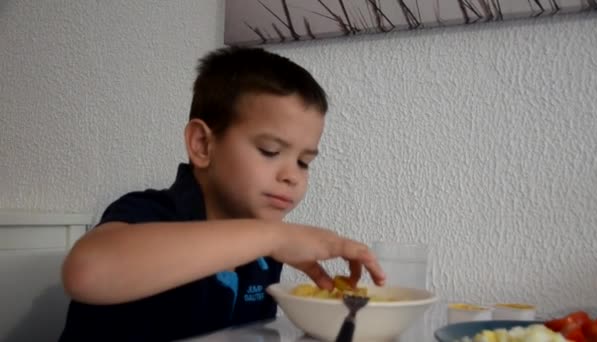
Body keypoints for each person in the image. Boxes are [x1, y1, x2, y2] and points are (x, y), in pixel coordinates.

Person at [59, 46, 385, 341]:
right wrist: (273, 237)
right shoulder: (151, 213)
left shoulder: (263, 250)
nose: (291, 176)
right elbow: (86, 272)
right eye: (269, 151)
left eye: (304, 162)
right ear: (202, 144)